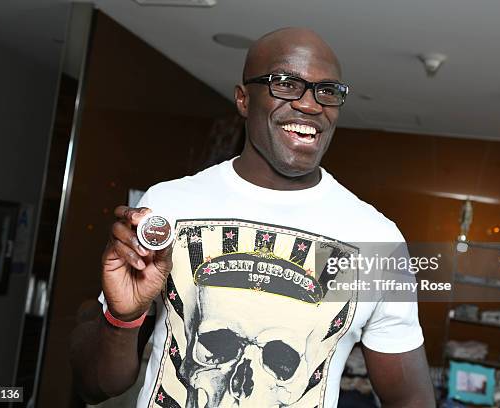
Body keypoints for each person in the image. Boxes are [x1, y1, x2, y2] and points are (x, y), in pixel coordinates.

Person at [70, 27, 435, 408]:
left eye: (327, 91)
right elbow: (96, 386)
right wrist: (123, 318)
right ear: (244, 100)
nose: (310, 105)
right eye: (286, 84)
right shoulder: (169, 206)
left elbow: (411, 399)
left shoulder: (374, 238)